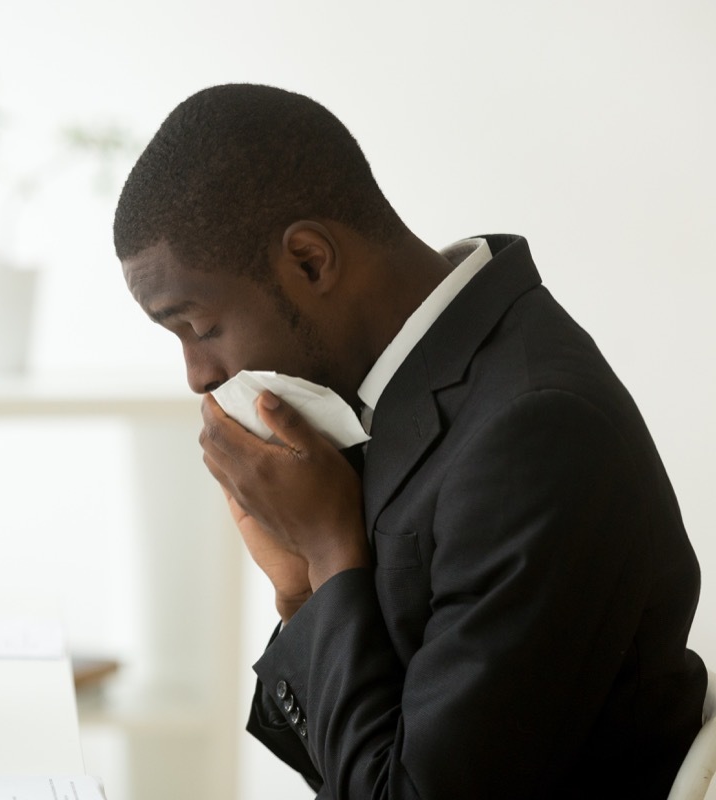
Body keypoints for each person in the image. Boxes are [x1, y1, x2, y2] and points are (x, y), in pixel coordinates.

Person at [113, 83, 707, 798]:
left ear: (309, 260)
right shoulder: (412, 397)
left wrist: (333, 556)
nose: (198, 376)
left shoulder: (536, 433)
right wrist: (301, 593)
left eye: (199, 327)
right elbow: (352, 766)